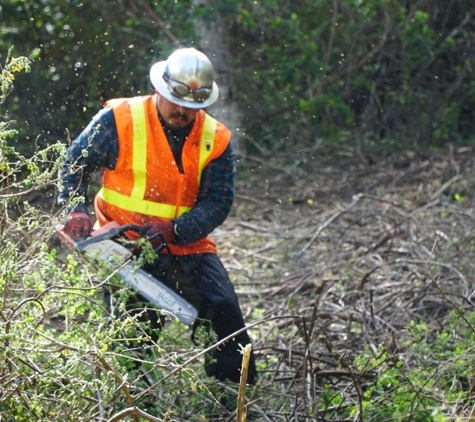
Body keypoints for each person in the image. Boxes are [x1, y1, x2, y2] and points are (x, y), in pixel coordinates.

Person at [57, 47, 257, 385]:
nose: (182, 110)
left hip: (185, 244)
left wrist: (176, 229)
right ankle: (136, 398)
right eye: (176, 101)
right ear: (160, 89)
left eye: (191, 106)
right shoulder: (118, 120)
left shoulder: (215, 138)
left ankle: (233, 396)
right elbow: (74, 165)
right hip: (121, 243)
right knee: (133, 325)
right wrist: (76, 209)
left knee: (223, 307)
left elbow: (218, 201)